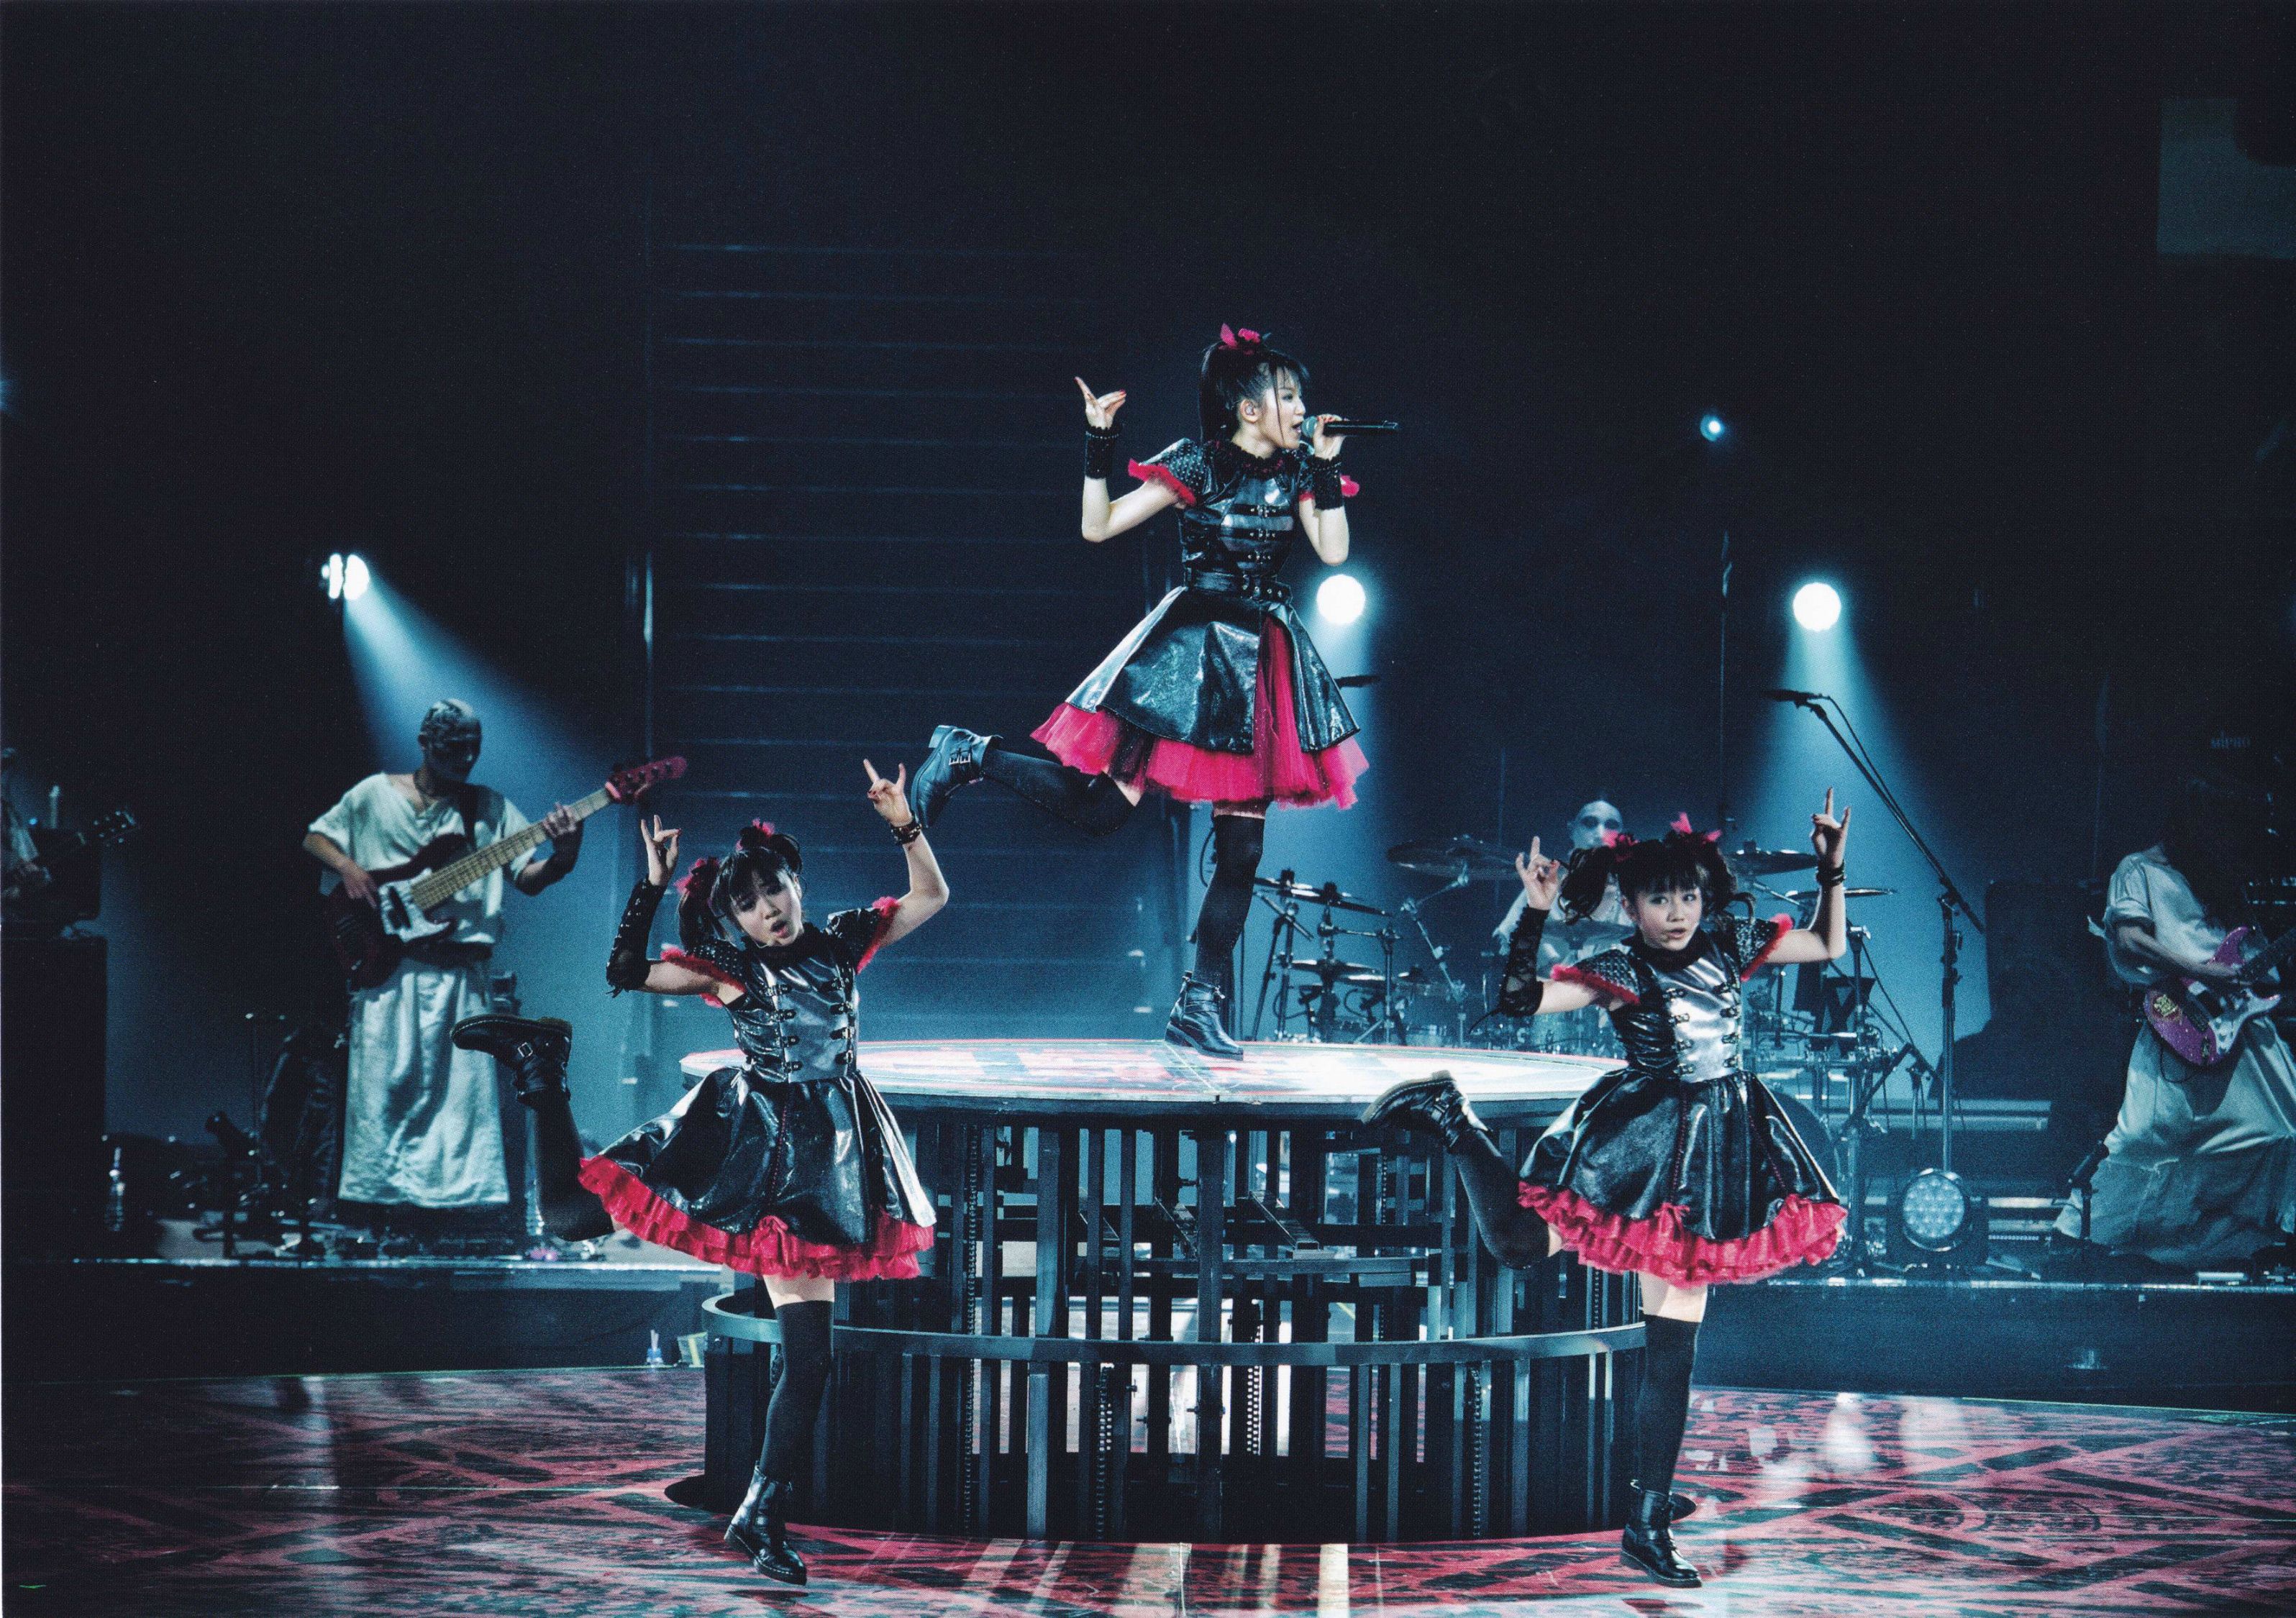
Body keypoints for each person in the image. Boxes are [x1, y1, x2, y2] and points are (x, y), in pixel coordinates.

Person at [451, 760, 944, 1587]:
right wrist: (648, 886)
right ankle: (541, 1070)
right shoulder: (735, 971)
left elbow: (929, 897)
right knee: (574, 1220)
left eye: (775, 891)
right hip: (752, 1142)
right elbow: (626, 973)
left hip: (827, 1159)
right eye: (749, 905)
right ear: (735, 921)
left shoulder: (843, 938)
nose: (769, 911)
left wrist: (903, 820)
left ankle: (761, 1508)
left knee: (811, 1356)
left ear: (797, 880)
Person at [1361, 798, 1853, 1588]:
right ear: (1631, 906)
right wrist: (1536, 909)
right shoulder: (1621, 966)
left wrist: (1829, 863)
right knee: (1519, 1245)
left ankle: (1647, 1519)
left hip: (1718, 1150)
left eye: (1688, 896)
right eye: (1659, 899)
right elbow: (1520, 1000)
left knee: (1674, 1349)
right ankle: (1454, 1120)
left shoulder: (1729, 942)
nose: (1677, 912)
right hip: (1641, 1143)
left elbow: (1828, 941)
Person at [904, 326, 1367, 1056]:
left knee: (1242, 845)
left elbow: (1334, 549)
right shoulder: (1196, 462)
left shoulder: (1298, 470)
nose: (1302, 406)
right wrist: (1097, 441)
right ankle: (972, 754)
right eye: (1288, 395)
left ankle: (1198, 1003)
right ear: (1248, 408)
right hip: (1191, 657)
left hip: (1262, 662)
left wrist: (1324, 465)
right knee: (1099, 813)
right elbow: (1100, 527)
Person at [302, 700, 583, 1214]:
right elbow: (315, 837)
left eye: (475, 748)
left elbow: (527, 878)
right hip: (390, 974)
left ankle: (459, 1215)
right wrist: (349, 867)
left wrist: (563, 858)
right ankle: (379, 1211)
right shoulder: (373, 795)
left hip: (460, 978)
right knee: (383, 1097)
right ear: (425, 741)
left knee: (460, 1107)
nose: (467, 758)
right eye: (455, 747)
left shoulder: (489, 808)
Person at [2052, 773, 2296, 1269]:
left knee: (2283, 1130)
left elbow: (2251, 961)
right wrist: (2198, 970)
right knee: (2148, 1138)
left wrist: (2257, 980)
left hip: (2237, 1024)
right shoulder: (2139, 870)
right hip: (2172, 1009)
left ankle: (2244, 1241)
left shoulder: (2221, 882)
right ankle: (2087, 1234)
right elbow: (2129, 941)